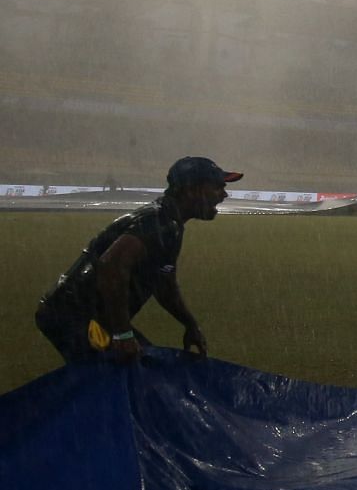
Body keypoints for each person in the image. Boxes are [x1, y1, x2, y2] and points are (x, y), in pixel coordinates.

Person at [33, 156, 240, 365]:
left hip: (82, 315)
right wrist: (122, 335)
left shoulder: (168, 222)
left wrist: (190, 324)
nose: (224, 194)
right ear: (191, 189)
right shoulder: (157, 223)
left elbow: (164, 285)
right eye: (217, 187)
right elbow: (111, 266)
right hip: (74, 316)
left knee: (137, 370)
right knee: (121, 377)